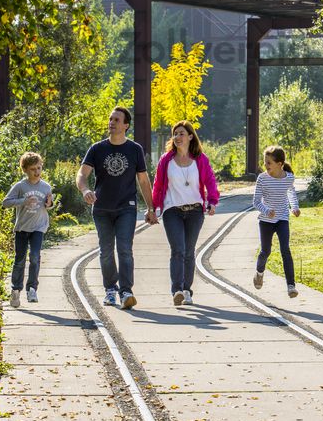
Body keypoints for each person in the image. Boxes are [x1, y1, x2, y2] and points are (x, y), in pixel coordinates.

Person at [76, 106, 157, 310]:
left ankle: (126, 291)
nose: (111, 122)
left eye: (116, 120)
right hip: (101, 208)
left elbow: (143, 180)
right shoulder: (97, 148)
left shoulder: (134, 149)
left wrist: (150, 207)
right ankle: (110, 290)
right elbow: (81, 175)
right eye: (110, 119)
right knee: (105, 251)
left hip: (126, 208)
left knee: (124, 249)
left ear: (126, 125)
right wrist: (85, 190)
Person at [152, 120, 219, 306]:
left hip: (195, 212)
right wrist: (154, 207)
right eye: (175, 134)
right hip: (172, 211)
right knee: (178, 250)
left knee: (189, 252)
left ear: (190, 136)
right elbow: (158, 185)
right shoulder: (166, 160)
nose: (177, 137)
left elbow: (210, 182)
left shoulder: (200, 159)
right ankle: (177, 290)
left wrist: (212, 201)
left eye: (181, 133)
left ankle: (187, 290)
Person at [2, 152, 53, 308]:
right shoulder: (20, 186)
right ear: (25, 169)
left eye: (39, 168)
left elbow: (49, 205)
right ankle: (16, 290)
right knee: (20, 259)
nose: (37, 172)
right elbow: (6, 202)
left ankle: (32, 288)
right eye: (32, 169)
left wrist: (49, 203)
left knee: (35, 256)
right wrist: (24, 201)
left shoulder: (46, 186)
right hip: (22, 228)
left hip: (39, 227)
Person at [252, 145, 300, 298]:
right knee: (266, 251)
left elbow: (291, 192)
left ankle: (291, 286)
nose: (265, 166)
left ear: (279, 164)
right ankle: (259, 273)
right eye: (265, 162)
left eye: (269, 163)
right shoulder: (262, 178)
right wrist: (266, 210)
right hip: (266, 221)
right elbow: (256, 202)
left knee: (285, 249)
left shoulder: (289, 178)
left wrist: (295, 207)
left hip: (282, 219)